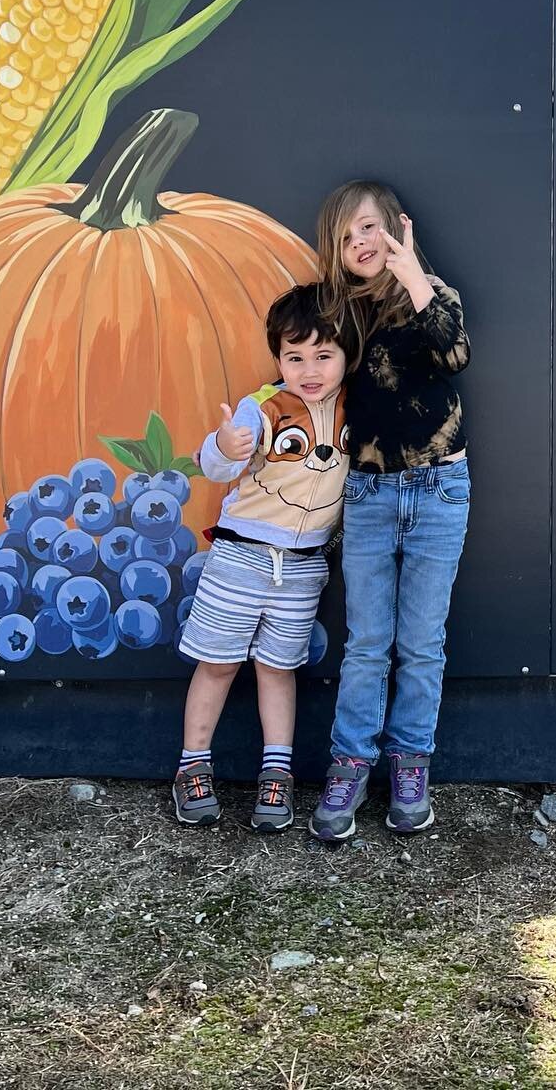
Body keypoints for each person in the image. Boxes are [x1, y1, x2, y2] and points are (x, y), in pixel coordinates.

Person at [307, 181, 471, 842]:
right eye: (347, 237)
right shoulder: (336, 314)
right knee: (369, 644)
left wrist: (414, 279)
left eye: (369, 228)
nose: (361, 245)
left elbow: (455, 354)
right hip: (370, 495)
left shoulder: (436, 295)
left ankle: (411, 765)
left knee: (422, 643)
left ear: (395, 228)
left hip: (438, 490)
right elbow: (307, 374)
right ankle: (349, 765)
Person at [171, 283, 350, 832]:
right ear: (278, 359)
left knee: (278, 670)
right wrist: (224, 447)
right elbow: (218, 464)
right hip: (241, 558)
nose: (309, 369)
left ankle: (278, 773)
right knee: (219, 663)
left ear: (347, 355)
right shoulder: (262, 406)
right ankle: (191, 766)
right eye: (294, 357)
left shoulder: (354, 408)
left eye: (324, 355)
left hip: (302, 567)